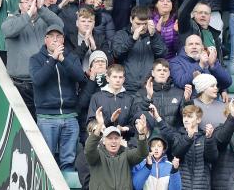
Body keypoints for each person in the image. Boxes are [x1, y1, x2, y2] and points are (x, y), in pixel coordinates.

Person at [30, 23, 86, 171]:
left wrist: (62, 60)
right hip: (47, 117)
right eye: (52, 37)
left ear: (63, 40)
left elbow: (80, 77)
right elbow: (38, 80)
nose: (55, 40)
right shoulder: (36, 59)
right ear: (45, 40)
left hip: (70, 116)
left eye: (58, 37)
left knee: (68, 161)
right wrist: (53, 59)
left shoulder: (71, 57)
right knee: (46, 160)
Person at [85, 110, 149, 190]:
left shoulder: (126, 154)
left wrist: (142, 134)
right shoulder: (97, 156)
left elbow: (142, 153)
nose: (114, 141)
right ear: (104, 141)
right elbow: (89, 149)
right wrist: (100, 125)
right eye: (110, 138)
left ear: (120, 140)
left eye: (116, 138)